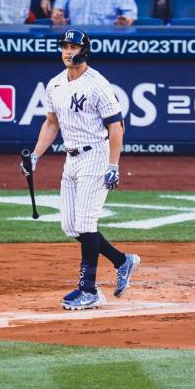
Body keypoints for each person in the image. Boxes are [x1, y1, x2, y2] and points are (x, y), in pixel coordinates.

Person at [19, 29, 141, 310]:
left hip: (96, 156)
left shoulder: (97, 84)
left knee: (86, 224)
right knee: (70, 226)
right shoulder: (54, 85)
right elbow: (51, 123)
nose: (67, 51)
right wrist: (36, 156)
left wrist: (114, 166)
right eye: (64, 46)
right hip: (71, 158)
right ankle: (123, 261)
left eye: (73, 47)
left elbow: (116, 126)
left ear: (84, 50)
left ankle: (89, 290)